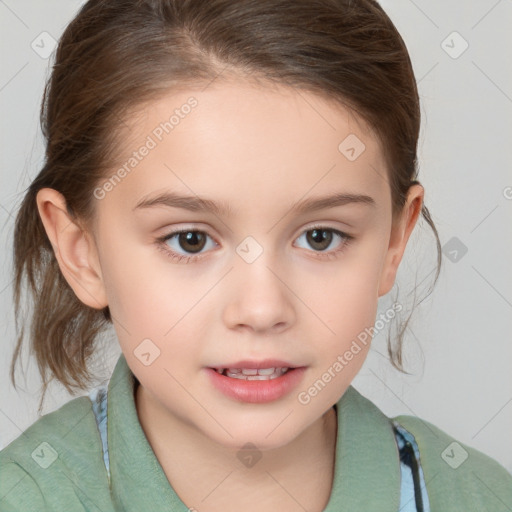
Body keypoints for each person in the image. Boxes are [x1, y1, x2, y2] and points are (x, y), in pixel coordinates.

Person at [1, 0, 511, 511]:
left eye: (320, 237)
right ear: (80, 251)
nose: (262, 309)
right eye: (190, 240)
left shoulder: (473, 496)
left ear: (394, 241)